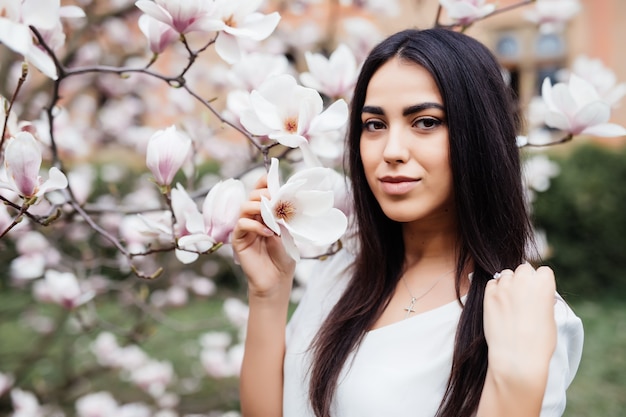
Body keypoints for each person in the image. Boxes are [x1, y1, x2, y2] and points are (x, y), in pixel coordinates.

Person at [232, 28, 584, 417]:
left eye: (426, 122)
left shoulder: (525, 313)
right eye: (374, 125)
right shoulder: (342, 273)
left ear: (479, 135)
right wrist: (268, 294)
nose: (392, 151)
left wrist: (517, 380)